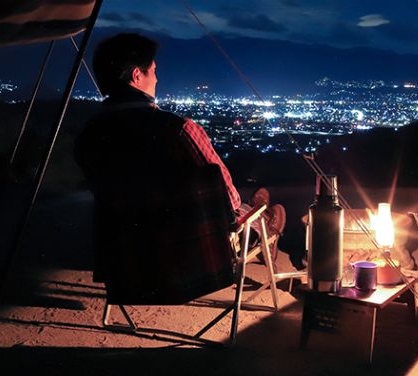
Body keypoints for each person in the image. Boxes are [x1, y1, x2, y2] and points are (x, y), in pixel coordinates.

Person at [76, 33, 286, 303]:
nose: (157, 79)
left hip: (126, 257)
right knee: (243, 207)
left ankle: (262, 214)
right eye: (154, 71)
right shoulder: (179, 130)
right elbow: (226, 198)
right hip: (185, 257)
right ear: (137, 76)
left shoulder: (90, 136)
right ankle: (267, 223)